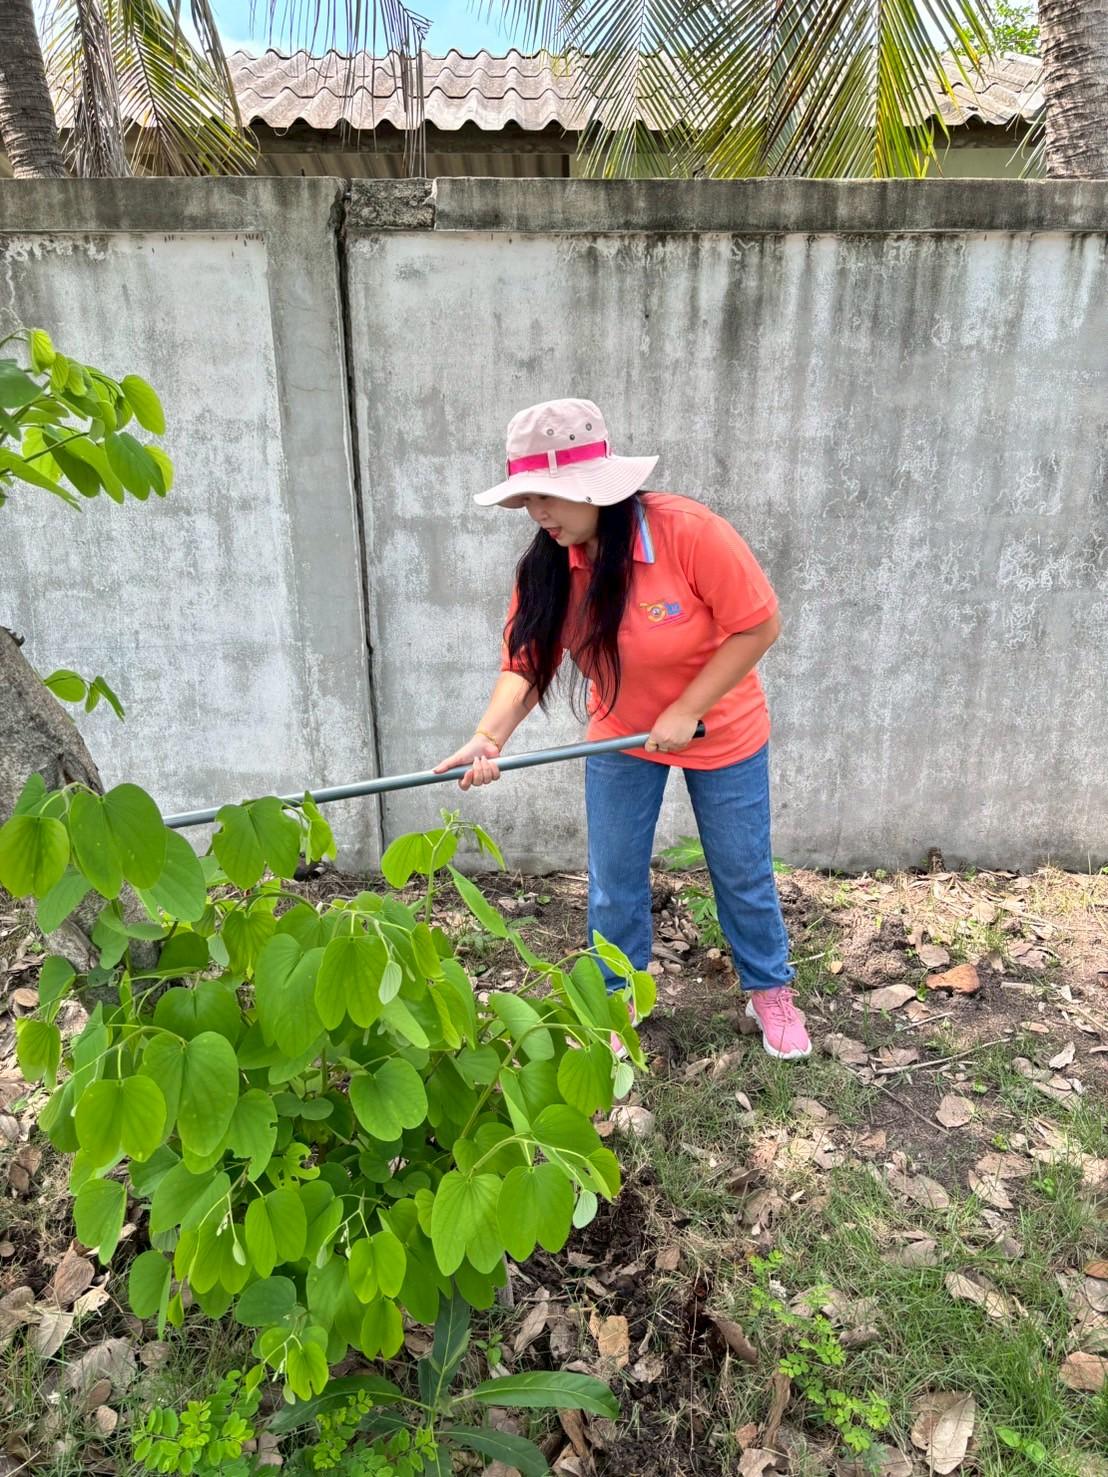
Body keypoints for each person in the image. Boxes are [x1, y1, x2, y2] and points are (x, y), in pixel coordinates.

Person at [435, 398, 810, 1062]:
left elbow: (759, 625)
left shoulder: (690, 534)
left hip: (720, 728)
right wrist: (489, 737)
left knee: (742, 870)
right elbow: (526, 660)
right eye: (528, 499)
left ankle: (769, 989)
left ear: (598, 489)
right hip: (621, 731)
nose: (539, 513)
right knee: (614, 877)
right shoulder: (549, 565)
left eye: (549, 495)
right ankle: (616, 999)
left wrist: (689, 706)